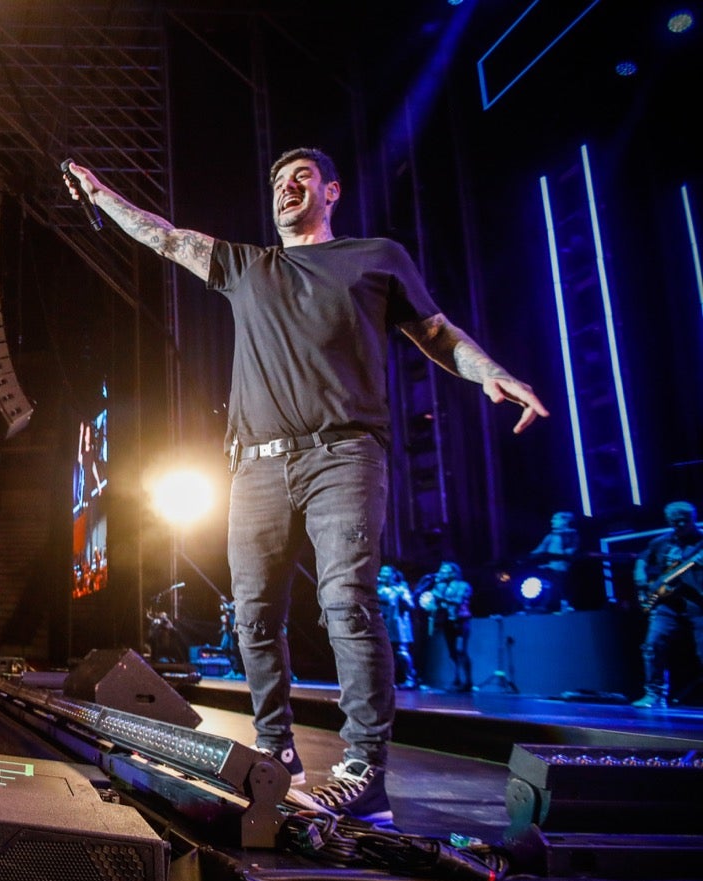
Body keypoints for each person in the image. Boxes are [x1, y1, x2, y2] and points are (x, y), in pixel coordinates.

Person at [65, 149, 547, 826]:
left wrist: (487, 371)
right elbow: (165, 235)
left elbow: (434, 332)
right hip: (255, 466)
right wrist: (100, 193)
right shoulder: (247, 265)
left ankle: (364, 770)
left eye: (301, 179)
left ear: (332, 191)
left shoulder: (374, 257)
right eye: (276, 183)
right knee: (254, 614)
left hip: (343, 453)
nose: (286, 189)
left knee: (347, 601)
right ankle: (275, 753)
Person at [632, 501, 703, 708]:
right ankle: (654, 694)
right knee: (653, 644)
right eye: (675, 521)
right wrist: (641, 580)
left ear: (693, 518)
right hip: (668, 604)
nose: (680, 524)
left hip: (698, 603)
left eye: (684, 520)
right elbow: (642, 559)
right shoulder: (661, 542)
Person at [418, 562, 474, 692]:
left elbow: (458, 601)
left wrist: (439, 597)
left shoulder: (463, 585)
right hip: (447, 622)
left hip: (461, 620)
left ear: (453, 573)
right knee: (452, 652)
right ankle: (457, 679)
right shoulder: (439, 586)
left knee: (461, 651)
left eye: (445, 571)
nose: (441, 573)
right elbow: (432, 602)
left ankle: (469, 681)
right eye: (440, 570)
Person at [529, 511, 581, 613]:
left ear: (565, 521)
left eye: (556, 519)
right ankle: (547, 605)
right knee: (548, 587)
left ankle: (566, 605)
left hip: (563, 568)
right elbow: (540, 549)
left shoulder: (571, 534)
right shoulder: (550, 536)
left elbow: (572, 549)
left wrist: (565, 553)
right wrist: (530, 556)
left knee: (563, 588)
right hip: (550, 568)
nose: (552, 521)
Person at [376, 567, 419, 690]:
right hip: (382, 624)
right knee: (384, 654)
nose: (383, 576)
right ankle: (388, 680)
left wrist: (402, 596)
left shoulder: (400, 589)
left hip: (398, 626)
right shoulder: (377, 588)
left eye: (387, 574)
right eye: (382, 573)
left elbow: (411, 605)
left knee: (401, 652)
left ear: (394, 575)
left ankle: (410, 679)